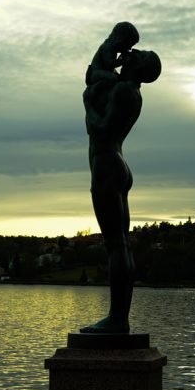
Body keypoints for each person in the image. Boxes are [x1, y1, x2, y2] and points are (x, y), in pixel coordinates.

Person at [81, 40, 161, 335]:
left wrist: (87, 103)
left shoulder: (125, 91)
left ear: (141, 68)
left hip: (107, 165)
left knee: (116, 245)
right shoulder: (128, 90)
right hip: (116, 165)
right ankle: (118, 319)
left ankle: (117, 320)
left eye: (141, 54)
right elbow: (98, 71)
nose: (134, 52)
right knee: (121, 244)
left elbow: (101, 129)